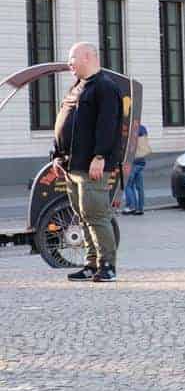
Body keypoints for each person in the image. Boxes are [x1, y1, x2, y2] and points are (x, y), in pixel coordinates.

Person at [52, 42, 122, 283]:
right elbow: (65, 120)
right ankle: (91, 264)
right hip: (71, 164)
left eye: (73, 58)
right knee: (82, 216)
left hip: (91, 165)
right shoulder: (78, 85)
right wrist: (57, 156)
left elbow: (108, 126)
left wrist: (100, 156)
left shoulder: (105, 87)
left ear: (88, 57)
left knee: (96, 215)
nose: (69, 63)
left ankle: (107, 266)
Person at [122, 123, 150, 216]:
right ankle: (140, 208)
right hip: (141, 160)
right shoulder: (143, 128)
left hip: (132, 161)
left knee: (128, 184)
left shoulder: (130, 129)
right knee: (139, 187)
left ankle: (131, 206)